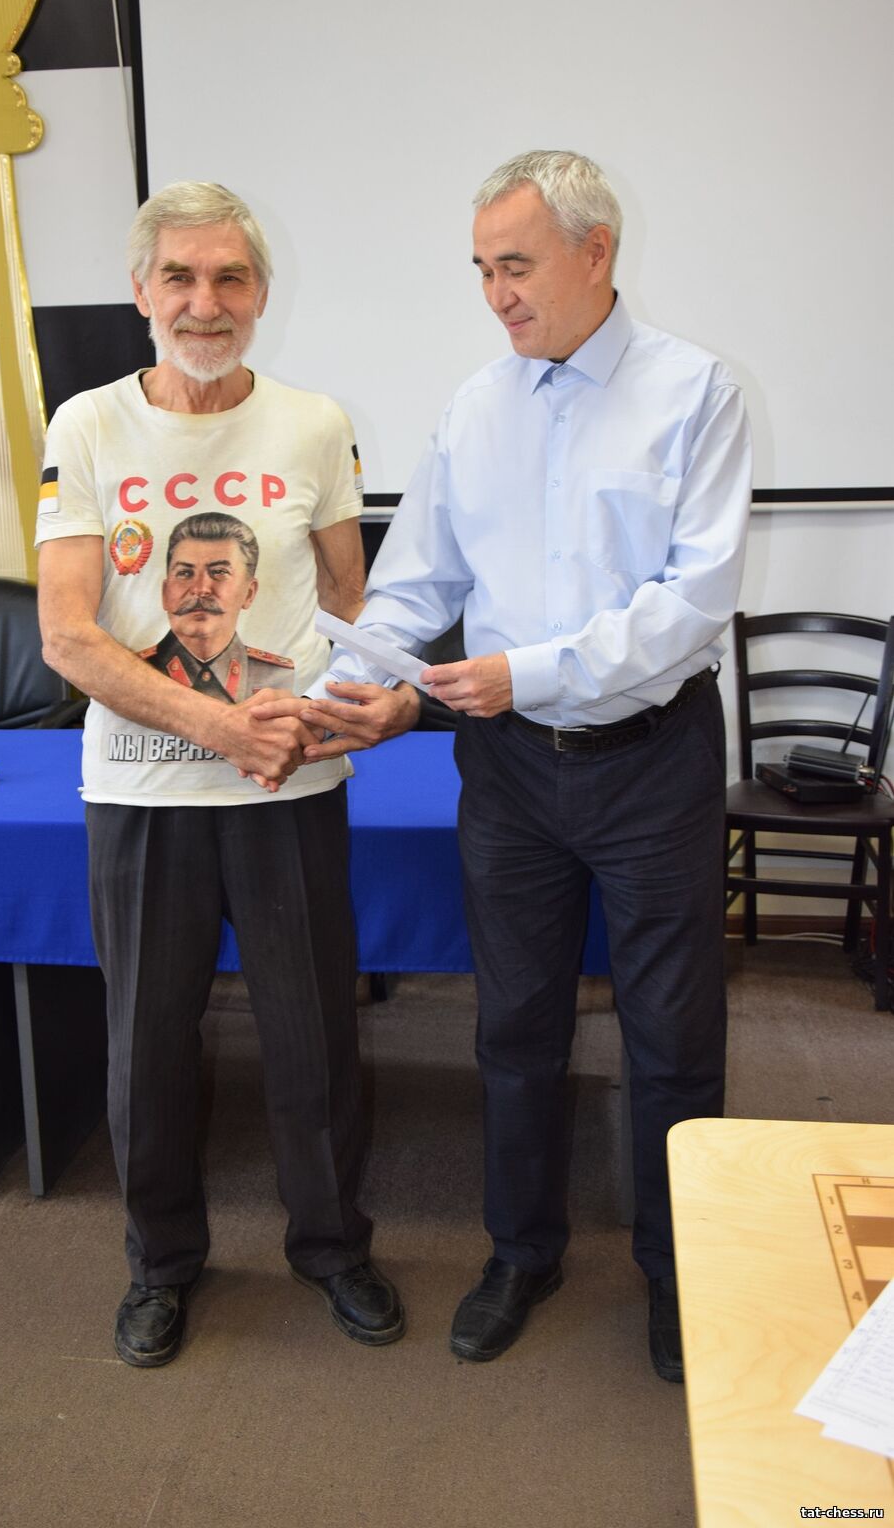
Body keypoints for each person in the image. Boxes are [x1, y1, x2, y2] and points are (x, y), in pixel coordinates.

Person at [283, 149, 752, 1380]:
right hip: (504, 771)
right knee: (514, 1027)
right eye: (480, 269)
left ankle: (679, 1272)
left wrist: (523, 673)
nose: (495, 294)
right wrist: (358, 683)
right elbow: (416, 584)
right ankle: (519, 1252)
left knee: (670, 1034)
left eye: (515, 265)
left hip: (649, 760)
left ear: (595, 253)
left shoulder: (696, 393)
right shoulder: (473, 407)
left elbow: (689, 605)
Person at [36, 180, 403, 1368]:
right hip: (141, 796)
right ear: (141, 291)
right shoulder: (86, 425)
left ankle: (332, 1247)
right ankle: (160, 1264)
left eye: (230, 277)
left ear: (260, 293)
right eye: (181, 278)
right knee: (146, 1051)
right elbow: (68, 636)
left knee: (314, 1042)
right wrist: (222, 728)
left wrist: (365, 703)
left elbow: (349, 602)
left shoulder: (313, 425)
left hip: (289, 793)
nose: (206, 301)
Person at [142, 512, 296, 701]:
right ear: (165, 593)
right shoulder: (134, 674)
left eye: (219, 572)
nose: (200, 589)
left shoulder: (277, 676)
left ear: (249, 593)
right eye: (184, 573)